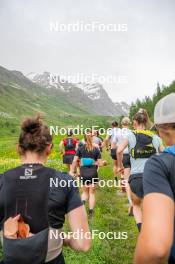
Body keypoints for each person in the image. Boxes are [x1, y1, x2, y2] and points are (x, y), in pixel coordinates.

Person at [0, 116, 91, 264]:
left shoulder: (1, 181)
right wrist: (62, 239)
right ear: (49, 149)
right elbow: (83, 244)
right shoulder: (64, 181)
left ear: (18, 148)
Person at [134, 93, 175, 264]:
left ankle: (141, 225)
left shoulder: (160, 164)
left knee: (137, 203)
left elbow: (155, 249)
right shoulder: (158, 152)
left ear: (161, 129)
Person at [117, 109, 163, 232]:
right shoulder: (154, 137)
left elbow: (118, 150)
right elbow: (163, 153)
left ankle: (142, 231)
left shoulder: (130, 135)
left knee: (136, 205)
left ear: (136, 122)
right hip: (153, 177)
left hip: (136, 177)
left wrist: (119, 165)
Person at [70, 132, 102, 217]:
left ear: (83, 139)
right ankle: (91, 212)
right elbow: (100, 163)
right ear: (92, 138)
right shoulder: (96, 149)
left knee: (84, 192)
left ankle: (82, 205)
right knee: (92, 193)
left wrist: (71, 171)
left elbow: (74, 160)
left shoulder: (80, 149)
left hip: (83, 173)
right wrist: (103, 163)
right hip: (93, 173)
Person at [120, 117, 133, 215]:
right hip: (132, 155)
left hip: (123, 155)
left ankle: (131, 202)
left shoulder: (118, 133)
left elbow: (114, 145)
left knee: (126, 179)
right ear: (130, 123)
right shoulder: (132, 132)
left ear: (121, 123)